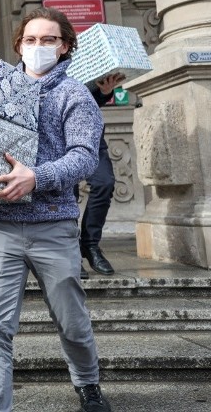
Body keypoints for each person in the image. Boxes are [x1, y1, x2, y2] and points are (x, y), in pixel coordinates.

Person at [0, 7, 113, 412]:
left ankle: (87, 382)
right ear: (19, 45)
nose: (38, 47)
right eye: (30, 40)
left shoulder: (75, 94)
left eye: (48, 40)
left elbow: (85, 157)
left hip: (54, 225)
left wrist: (37, 176)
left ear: (64, 47)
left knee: (72, 321)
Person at [78, 73, 125, 278]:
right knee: (66, 194)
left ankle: (90, 244)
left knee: (104, 183)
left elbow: (88, 98)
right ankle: (70, 252)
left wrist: (105, 92)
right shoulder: (40, 57)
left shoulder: (89, 51)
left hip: (90, 137)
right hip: (58, 137)